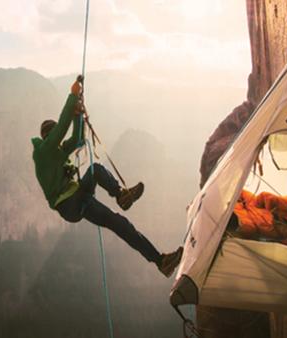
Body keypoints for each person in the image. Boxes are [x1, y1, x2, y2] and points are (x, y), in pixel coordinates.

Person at [31, 77, 183, 277]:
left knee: (112, 207)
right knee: (114, 216)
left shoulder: (56, 151)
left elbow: (77, 140)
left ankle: (158, 257)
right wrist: (73, 95)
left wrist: (78, 115)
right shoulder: (43, 153)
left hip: (78, 197)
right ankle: (157, 255)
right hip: (70, 204)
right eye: (55, 139)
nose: (60, 143)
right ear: (47, 138)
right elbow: (61, 129)